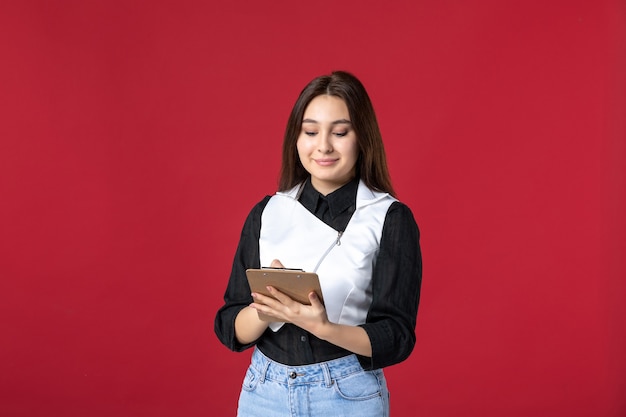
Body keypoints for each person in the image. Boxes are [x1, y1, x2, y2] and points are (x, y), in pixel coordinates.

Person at [214, 70, 422, 417]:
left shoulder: (388, 218)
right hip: (264, 391)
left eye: (339, 132)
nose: (323, 145)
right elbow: (229, 325)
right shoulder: (267, 212)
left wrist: (322, 327)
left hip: (346, 393)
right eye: (310, 132)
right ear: (296, 138)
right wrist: (264, 311)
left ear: (362, 139)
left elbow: (397, 336)